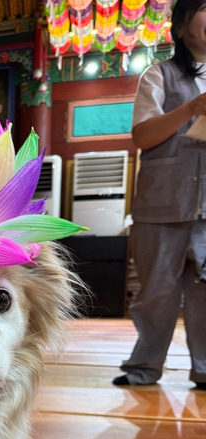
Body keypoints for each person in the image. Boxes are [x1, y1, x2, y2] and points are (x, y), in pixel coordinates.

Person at [113, 0, 206, 390]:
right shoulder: (159, 76)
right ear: (182, 27)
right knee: (155, 293)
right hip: (160, 205)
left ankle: (205, 370)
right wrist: (191, 109)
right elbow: (143, 135)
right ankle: (144, 368)